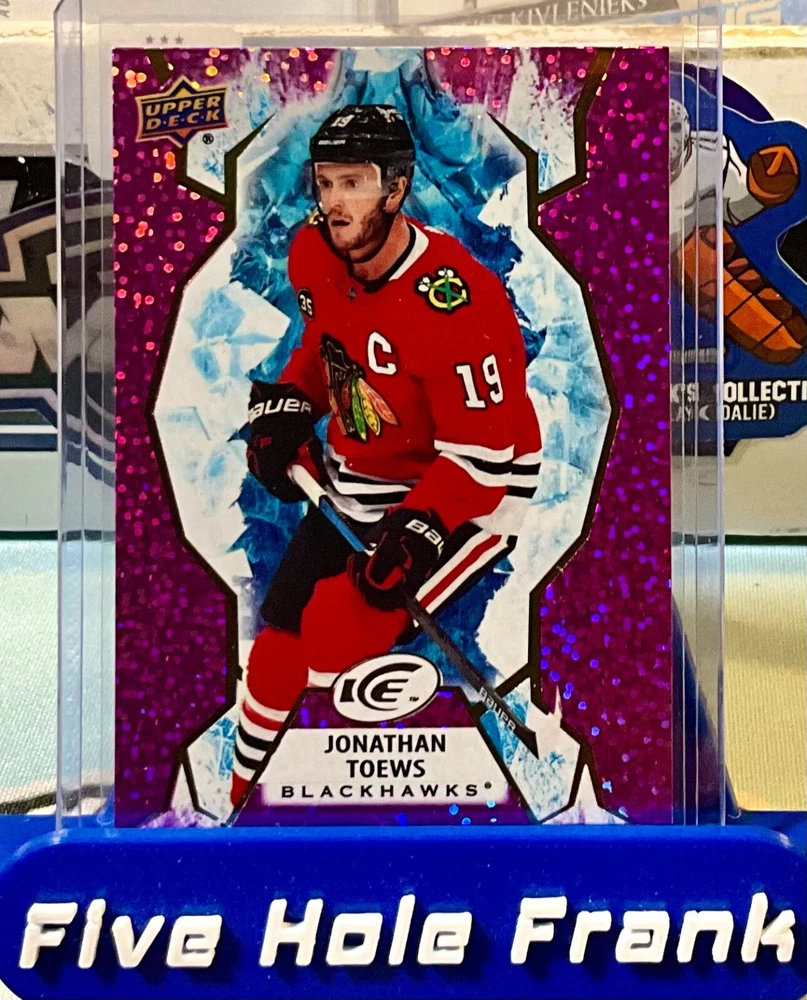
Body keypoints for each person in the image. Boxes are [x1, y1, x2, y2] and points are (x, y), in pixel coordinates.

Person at [231, 104, 542, 806]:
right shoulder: (314, 253)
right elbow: (328, 352)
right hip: (361, 476)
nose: (333, 202)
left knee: (336, 633)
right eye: (325, 183)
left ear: (397, 188)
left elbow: (485, 455)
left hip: (473, 487)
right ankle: (242, 796)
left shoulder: (456, 301)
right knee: (279, 636)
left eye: (354, 182)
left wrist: (420, 529)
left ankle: (341, 796)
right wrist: (291, 406)